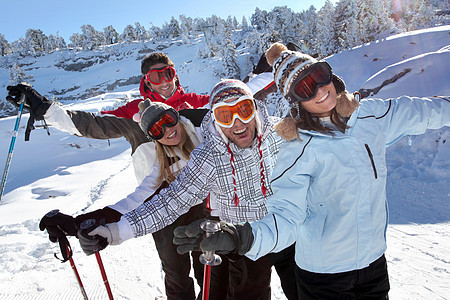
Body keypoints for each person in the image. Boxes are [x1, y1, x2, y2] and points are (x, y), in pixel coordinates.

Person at [174, 42, 450, 299]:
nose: (320, 90)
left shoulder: (372, 117)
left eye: (319, 75)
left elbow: (426, 111)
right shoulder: (297, 149)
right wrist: (239, 237)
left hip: (374, 265)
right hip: (324, 277)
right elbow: (286, 217)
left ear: (331, 75)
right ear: (295, 100)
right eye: (305, 88)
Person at [6, 51, 210, 300]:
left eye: (168, 73)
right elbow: (92, 124)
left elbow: (235, 106)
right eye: (157, 76)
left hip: (203, 199)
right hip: (157, 202)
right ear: (147, 82)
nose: (165, 80)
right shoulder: (135, 115)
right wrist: (45, 109)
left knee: (210, 268)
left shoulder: (195, 103)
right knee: (176, 274)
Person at [78, 79, 300, 300]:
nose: (237, 122)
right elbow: (169, 201)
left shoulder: (279, 133)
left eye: (243, 109)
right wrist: (115, 231)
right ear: (215, 119)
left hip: (290, 229)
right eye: (225, 115)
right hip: (245, 242)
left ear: (254, 108)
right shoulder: (210, 155)